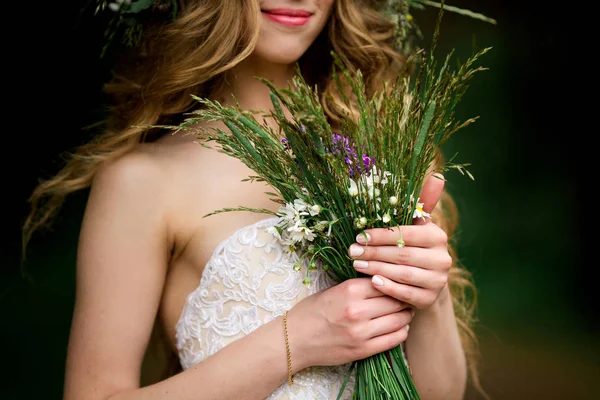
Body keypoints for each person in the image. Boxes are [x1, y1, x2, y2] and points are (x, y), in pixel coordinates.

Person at [23, 1, 486, 399]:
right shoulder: (143, 183)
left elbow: (439, 393)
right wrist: (298, 340)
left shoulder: (379, 156)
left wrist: (432, 296)